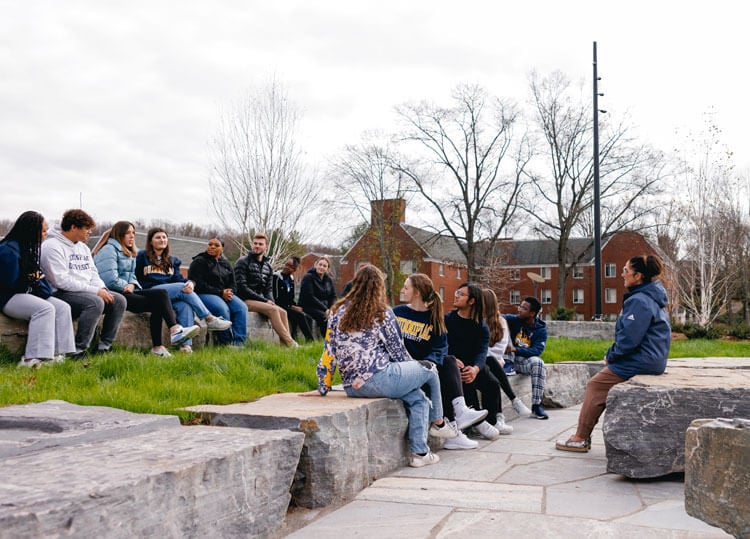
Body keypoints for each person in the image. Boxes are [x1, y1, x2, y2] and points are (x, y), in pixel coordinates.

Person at [316, 265, 457, 467]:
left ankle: (420, 453)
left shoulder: (337, 312)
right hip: (380, 377)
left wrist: (323, 386)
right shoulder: (382, 313)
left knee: (419, 399)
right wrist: (414, 373)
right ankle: (439, 422)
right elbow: (398, 353)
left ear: (356, 285)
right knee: (429, 369)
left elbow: (328, 352)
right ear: (379, 287)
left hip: (352, 387)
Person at [556, 255, 671, 452]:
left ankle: (580, 438)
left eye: (625, 271)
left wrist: (611, 356)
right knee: (602, 379)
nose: (622, 275)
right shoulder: (652, 298)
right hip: (652, 359)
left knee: (596, 385)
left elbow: (629, 339)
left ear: (638, 276)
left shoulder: (640, 301)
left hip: (642, 360)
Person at [393, 274, 487, 450]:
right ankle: (456, 424)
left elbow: (440, 348)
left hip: (424, 369)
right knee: (442, 372)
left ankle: (458, 415)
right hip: (403, 369)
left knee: (447, 362)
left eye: (406, 287)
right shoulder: (396, 313)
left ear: (417, 292)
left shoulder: (434, 318)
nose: (402, 290)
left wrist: (427, 365)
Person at [92, 221, 200, 357]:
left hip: (128, 290)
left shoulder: (129, 252)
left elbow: (133, 275)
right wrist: (125, 286)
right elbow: (108, 278)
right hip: (114, 292)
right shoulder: (109, 250)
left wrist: (132, 284)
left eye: (133, 233)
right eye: (128, 233)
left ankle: (161, 344)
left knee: (161, 295)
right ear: (119, 234)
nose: (132, 236)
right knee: (159, 300)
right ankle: (176, 332)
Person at [41, 209, 126, 356]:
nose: (90, 232)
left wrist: (101, 288)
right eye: (87, 228)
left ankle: (104, 346)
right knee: (95, 302)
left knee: (119, 300)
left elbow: (93, 272)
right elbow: (61, 280)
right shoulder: (51, 246)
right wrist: (95, 291)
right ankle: (78, 350)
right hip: (60, 293)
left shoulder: (83, 247)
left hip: (84, 290)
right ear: (73, 227)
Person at [135, 227, 232, 353]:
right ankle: (209, 318)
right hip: (151, 291)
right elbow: (135, 276)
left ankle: (185, 346)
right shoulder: (142, 256)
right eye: (158, 237)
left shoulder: (172, 260)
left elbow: (179, 279)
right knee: (181, 288)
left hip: (169, 294)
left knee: (185, 305)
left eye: (164, 237)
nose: (162, 240)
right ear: (150, 241)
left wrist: (190, 283)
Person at [1, 211, 76, 367]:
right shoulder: (8, 250)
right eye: (43, 231)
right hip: (8, 297)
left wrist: (34, 279)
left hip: (25, 293)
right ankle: (32, 359)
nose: (45, 234)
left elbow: (45, 289)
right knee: (45, 309)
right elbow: (8, 283)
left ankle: (57, 354)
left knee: (62, 307)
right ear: (30, 231)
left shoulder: (29, 249)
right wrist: (31, 278)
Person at [444, 282, 503, 441]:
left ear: (471, 301)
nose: (456, 296)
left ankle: (491, 421)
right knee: (464, 377)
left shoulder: (481, 326)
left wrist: (476, 368)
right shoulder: (447, 320)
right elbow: (441, 344)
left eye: (461, 294)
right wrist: (452, 359)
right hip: (452, 365)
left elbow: (482, 352)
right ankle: (479, 424)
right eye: (457, 292)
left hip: (473, 366)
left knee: (492, 384)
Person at [482, 288, 533, 433]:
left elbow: (501, 347)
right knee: (491, 367)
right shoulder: (475, 320)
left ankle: (497, 419)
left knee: (492, 372)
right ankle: (513, 402)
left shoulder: (500, 322)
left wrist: (493, 357)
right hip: (485, 361)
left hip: (496, 361)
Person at [234, 232, 297, 347]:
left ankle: (285, 347)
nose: (257, 246)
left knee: (282, 311)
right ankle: (290, 342)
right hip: (244, 300)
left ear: (266, 247)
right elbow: (242, 287)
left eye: (260, 244)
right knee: (273, 310)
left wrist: (271, 301)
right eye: (255, 243)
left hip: (260, 300)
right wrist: (264, 301)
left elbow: (268, 289)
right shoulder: (242, 262)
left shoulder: (268, 267)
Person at [188, 237, 248, 346]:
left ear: (222, 249)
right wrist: (220, 292)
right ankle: (226, 343)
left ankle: (239, 343)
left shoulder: (225, 263)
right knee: (222, 309)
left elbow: (233, 282)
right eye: (210, 244)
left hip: (224, 294)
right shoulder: (199, 261)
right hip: (204, 294)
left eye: (216, 245)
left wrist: (230, 292)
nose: (212, 247)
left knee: (241, 307)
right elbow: (198, 284)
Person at [503, 297, 549, 419]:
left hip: (523, 361)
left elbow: (536, 351)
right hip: (507, 359)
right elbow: (497, 317)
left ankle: (536, 405)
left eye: (524, 308)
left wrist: (516, 349)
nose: (519, 310)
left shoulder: (541, 330)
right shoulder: (513, 320)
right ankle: (508, 364)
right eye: (520, 306)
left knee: (538, 363)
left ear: (532, 313)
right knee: (502, 324)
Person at [272, 256, 314, 341]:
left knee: (307, 317)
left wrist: (294, 305)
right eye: (287, 265)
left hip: (288, 306)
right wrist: (291, 306)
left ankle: (295, 337)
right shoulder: (276, 277)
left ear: (294, 270)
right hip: (278, 306)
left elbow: (291, 297)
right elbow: (276, 298)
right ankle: (310, 340)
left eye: (291, 267)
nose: (287, 268)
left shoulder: (291, 279)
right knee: (299, 315)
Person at [299, 255, 337, 336]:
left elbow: (333, 296)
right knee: (325, 317)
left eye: (324, 266)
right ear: (315, 265)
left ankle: (337, 341)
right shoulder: (308, 277)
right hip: (309, 306)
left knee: (337, 317)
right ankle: (326, 341)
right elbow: (309, 297)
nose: (321, 267)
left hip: (325, 308)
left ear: (327, 269)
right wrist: (325, 309)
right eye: (320, 264)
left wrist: (331, 309)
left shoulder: (328, 280)